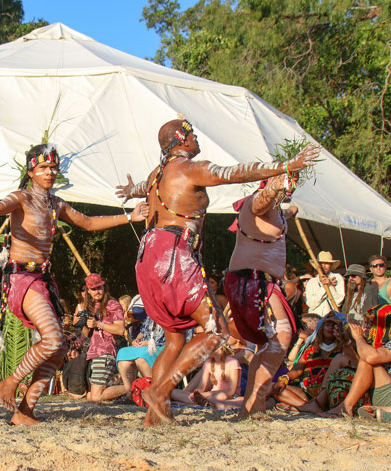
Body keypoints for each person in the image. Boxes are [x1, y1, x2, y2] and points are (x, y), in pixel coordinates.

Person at [116, 118, 320, 425]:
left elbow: (144, 188)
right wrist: (285, 165)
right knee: (218, 331)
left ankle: (154, 416)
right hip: (175, 254)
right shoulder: (188, 168)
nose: (198, 140)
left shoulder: (158, 173)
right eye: (193, 135)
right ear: (180, 140)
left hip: (149, 256)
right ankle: (160, 392)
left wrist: (132, 190)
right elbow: (236, 173)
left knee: (174, 339)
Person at [0, 144, 148, 425]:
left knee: (59, 350)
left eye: (54, 167)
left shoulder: (55, 204)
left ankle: (25, 411)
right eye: (43, 167)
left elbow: (88, 222)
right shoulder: (22, 198)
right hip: (21, 279)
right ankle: (11, 382)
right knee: (52, 339)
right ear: (31, 171)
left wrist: (129, 216)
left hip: (41, 280)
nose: (50, 172)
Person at [223, 168, 303, 418]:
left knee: (269, 344)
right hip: (254, 281)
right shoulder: (255, 203)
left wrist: (289, 186)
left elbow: (292, 209)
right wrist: (278, 183)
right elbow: (263, 202)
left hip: (258, 282)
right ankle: (254, 402)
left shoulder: (276, 211)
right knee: (282, 336)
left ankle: (251, 405)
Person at [328, 304, 391, 419]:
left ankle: (347, 407)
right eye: (365, 323)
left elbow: (371, 358)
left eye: (371, 324)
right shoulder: (374, 344)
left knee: (367, 359)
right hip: (382, 391)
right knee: (340, 361)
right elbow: (361, 370)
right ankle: (318, 403)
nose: (365, 328)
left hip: (388, 394)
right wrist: (346, 341)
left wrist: (358, 337)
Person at [273, 313, 345, 407]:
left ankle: (304, 406)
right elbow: (297, 370)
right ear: (322, 327)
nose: (330, 328)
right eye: (327, 325)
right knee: (275, 388)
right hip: (308, 394)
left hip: (330, 394)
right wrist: (285, 378)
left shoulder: (343, 350)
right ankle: (308, 406)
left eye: (334, 326)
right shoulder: (311, 349)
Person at [79, 273, 126, 403]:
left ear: (104, 287)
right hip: (91, 354)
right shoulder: (91, 307)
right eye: (93, 289)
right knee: (89, 396)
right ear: (88, 291)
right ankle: (125, 389)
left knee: (95, 397)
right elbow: (86, 333)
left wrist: (99, 324)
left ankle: (132, 386)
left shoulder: (113, 305)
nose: (97, 291)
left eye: (99, 288)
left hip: (105, 351)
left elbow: (121, 329)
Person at [171, 345, 241, 407]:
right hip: (210, 395)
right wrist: (196, 395)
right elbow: (201, 387)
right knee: (174, 392)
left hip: (227, 395)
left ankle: (195, 403)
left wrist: (207, 394)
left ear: (220, 347)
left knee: (220, 397)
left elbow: (231, 391)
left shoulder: (233, 363)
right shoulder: (208, 363)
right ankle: (198, 402)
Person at [304, 252, 345, 317]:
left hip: (332, 319)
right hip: (315, 319)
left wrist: (330, 286)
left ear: (331, 265)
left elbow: (338, 302)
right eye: (321, 263)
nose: (323, 266)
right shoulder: (311, 282)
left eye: (326, 263)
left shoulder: (337, 278)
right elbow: (310, 304)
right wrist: (324, 288)